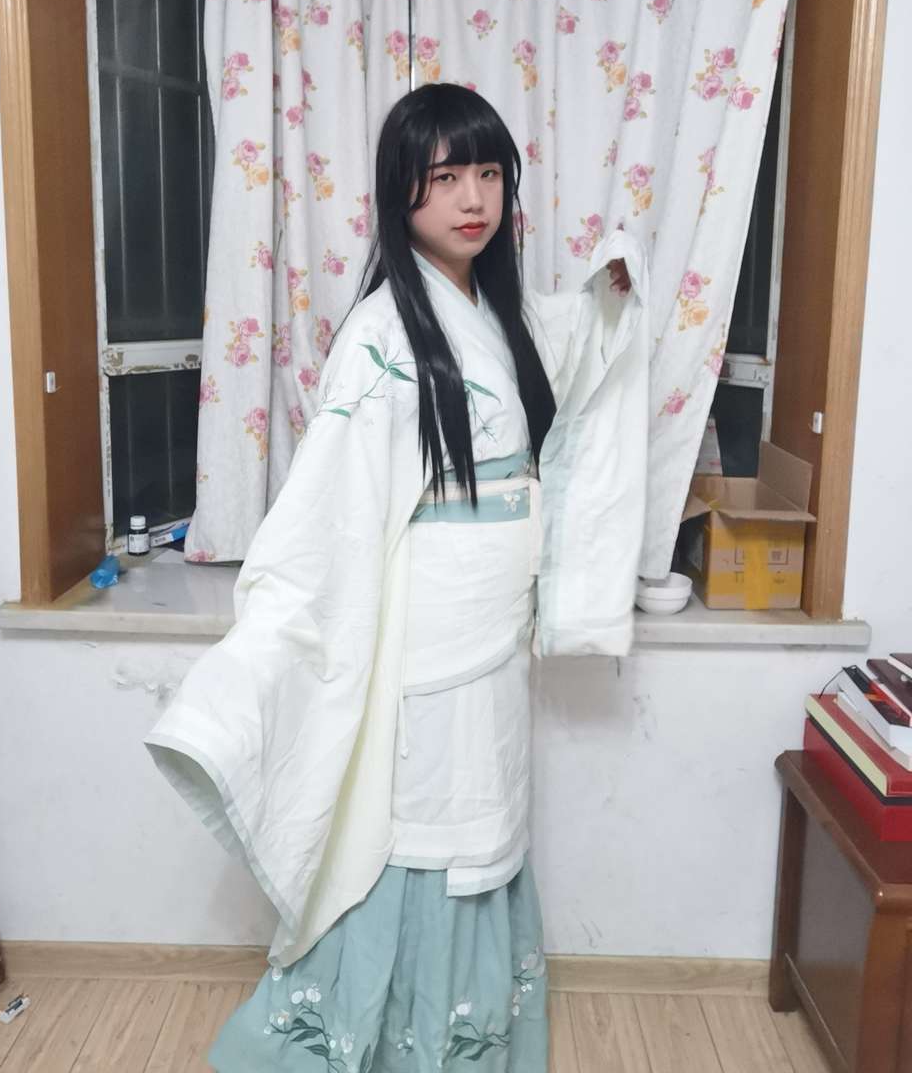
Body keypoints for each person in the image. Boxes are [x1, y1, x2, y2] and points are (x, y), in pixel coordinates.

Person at [147, 84, 649, 1072]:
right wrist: (265, 645)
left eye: (489, 174)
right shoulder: (382, 334)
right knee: (417, 821)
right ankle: (376, 1038)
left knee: (486, 807)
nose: (474, 198)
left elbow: (568, 349)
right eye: (446, 176)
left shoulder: (497, 312)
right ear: (401, 191)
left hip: (493, 628)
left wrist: (609, 293)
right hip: (426, 636)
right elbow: (328, 507)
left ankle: (461, 1032)